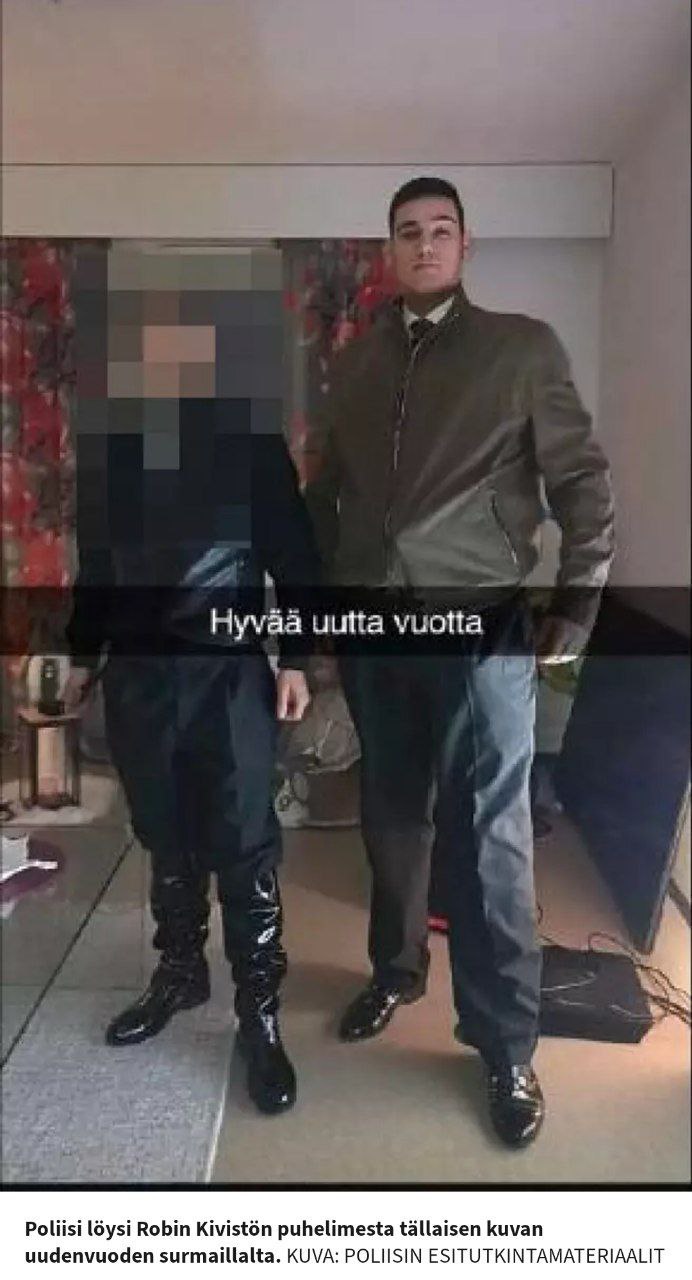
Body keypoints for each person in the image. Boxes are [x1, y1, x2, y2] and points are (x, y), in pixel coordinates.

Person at [304, 176, 614, 1147]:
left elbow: (580, 481)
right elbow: (326, 497)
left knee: (490, 838)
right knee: (392, 812)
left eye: (441, 229)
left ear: (465, 246)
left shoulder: (520, 349)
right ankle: (395, 971)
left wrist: (577, 603)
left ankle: (504, 1042)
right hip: (376, 630)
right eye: (408, 231)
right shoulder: (355, 364)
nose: (424, 244)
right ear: (388, 251)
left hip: (478, 627)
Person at [65, 272, 319, 1117]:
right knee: (164, 837)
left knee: (244, 848)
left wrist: (297, 659)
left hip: (227, 677)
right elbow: (96, 569)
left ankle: (260, 1014)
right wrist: (80, 655)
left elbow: (297, 559)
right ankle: (180, 972)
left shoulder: (251, 445)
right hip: (139, 677)